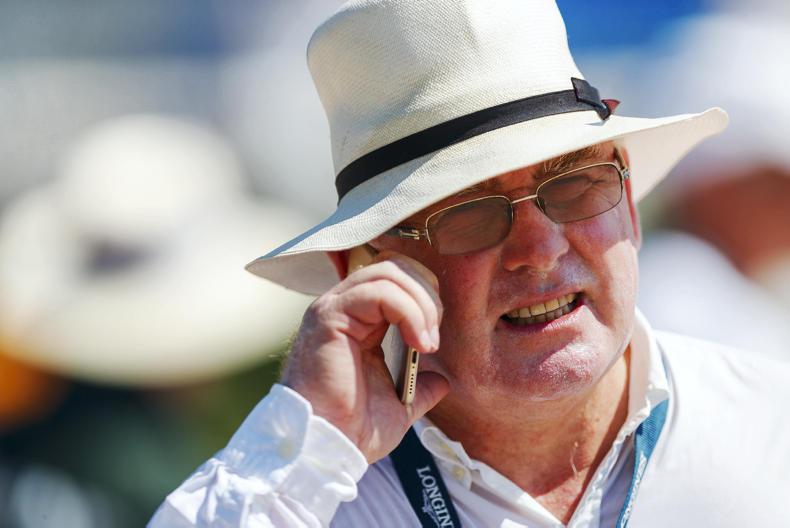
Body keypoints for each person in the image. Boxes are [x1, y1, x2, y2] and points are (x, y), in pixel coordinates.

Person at [149, 1, 790, 526]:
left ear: (628, 202)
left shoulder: (772, 428)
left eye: (575, 185)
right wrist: (304, 451)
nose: (540, 249)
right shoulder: (307, 492)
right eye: (469, 214)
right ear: (364, 268)